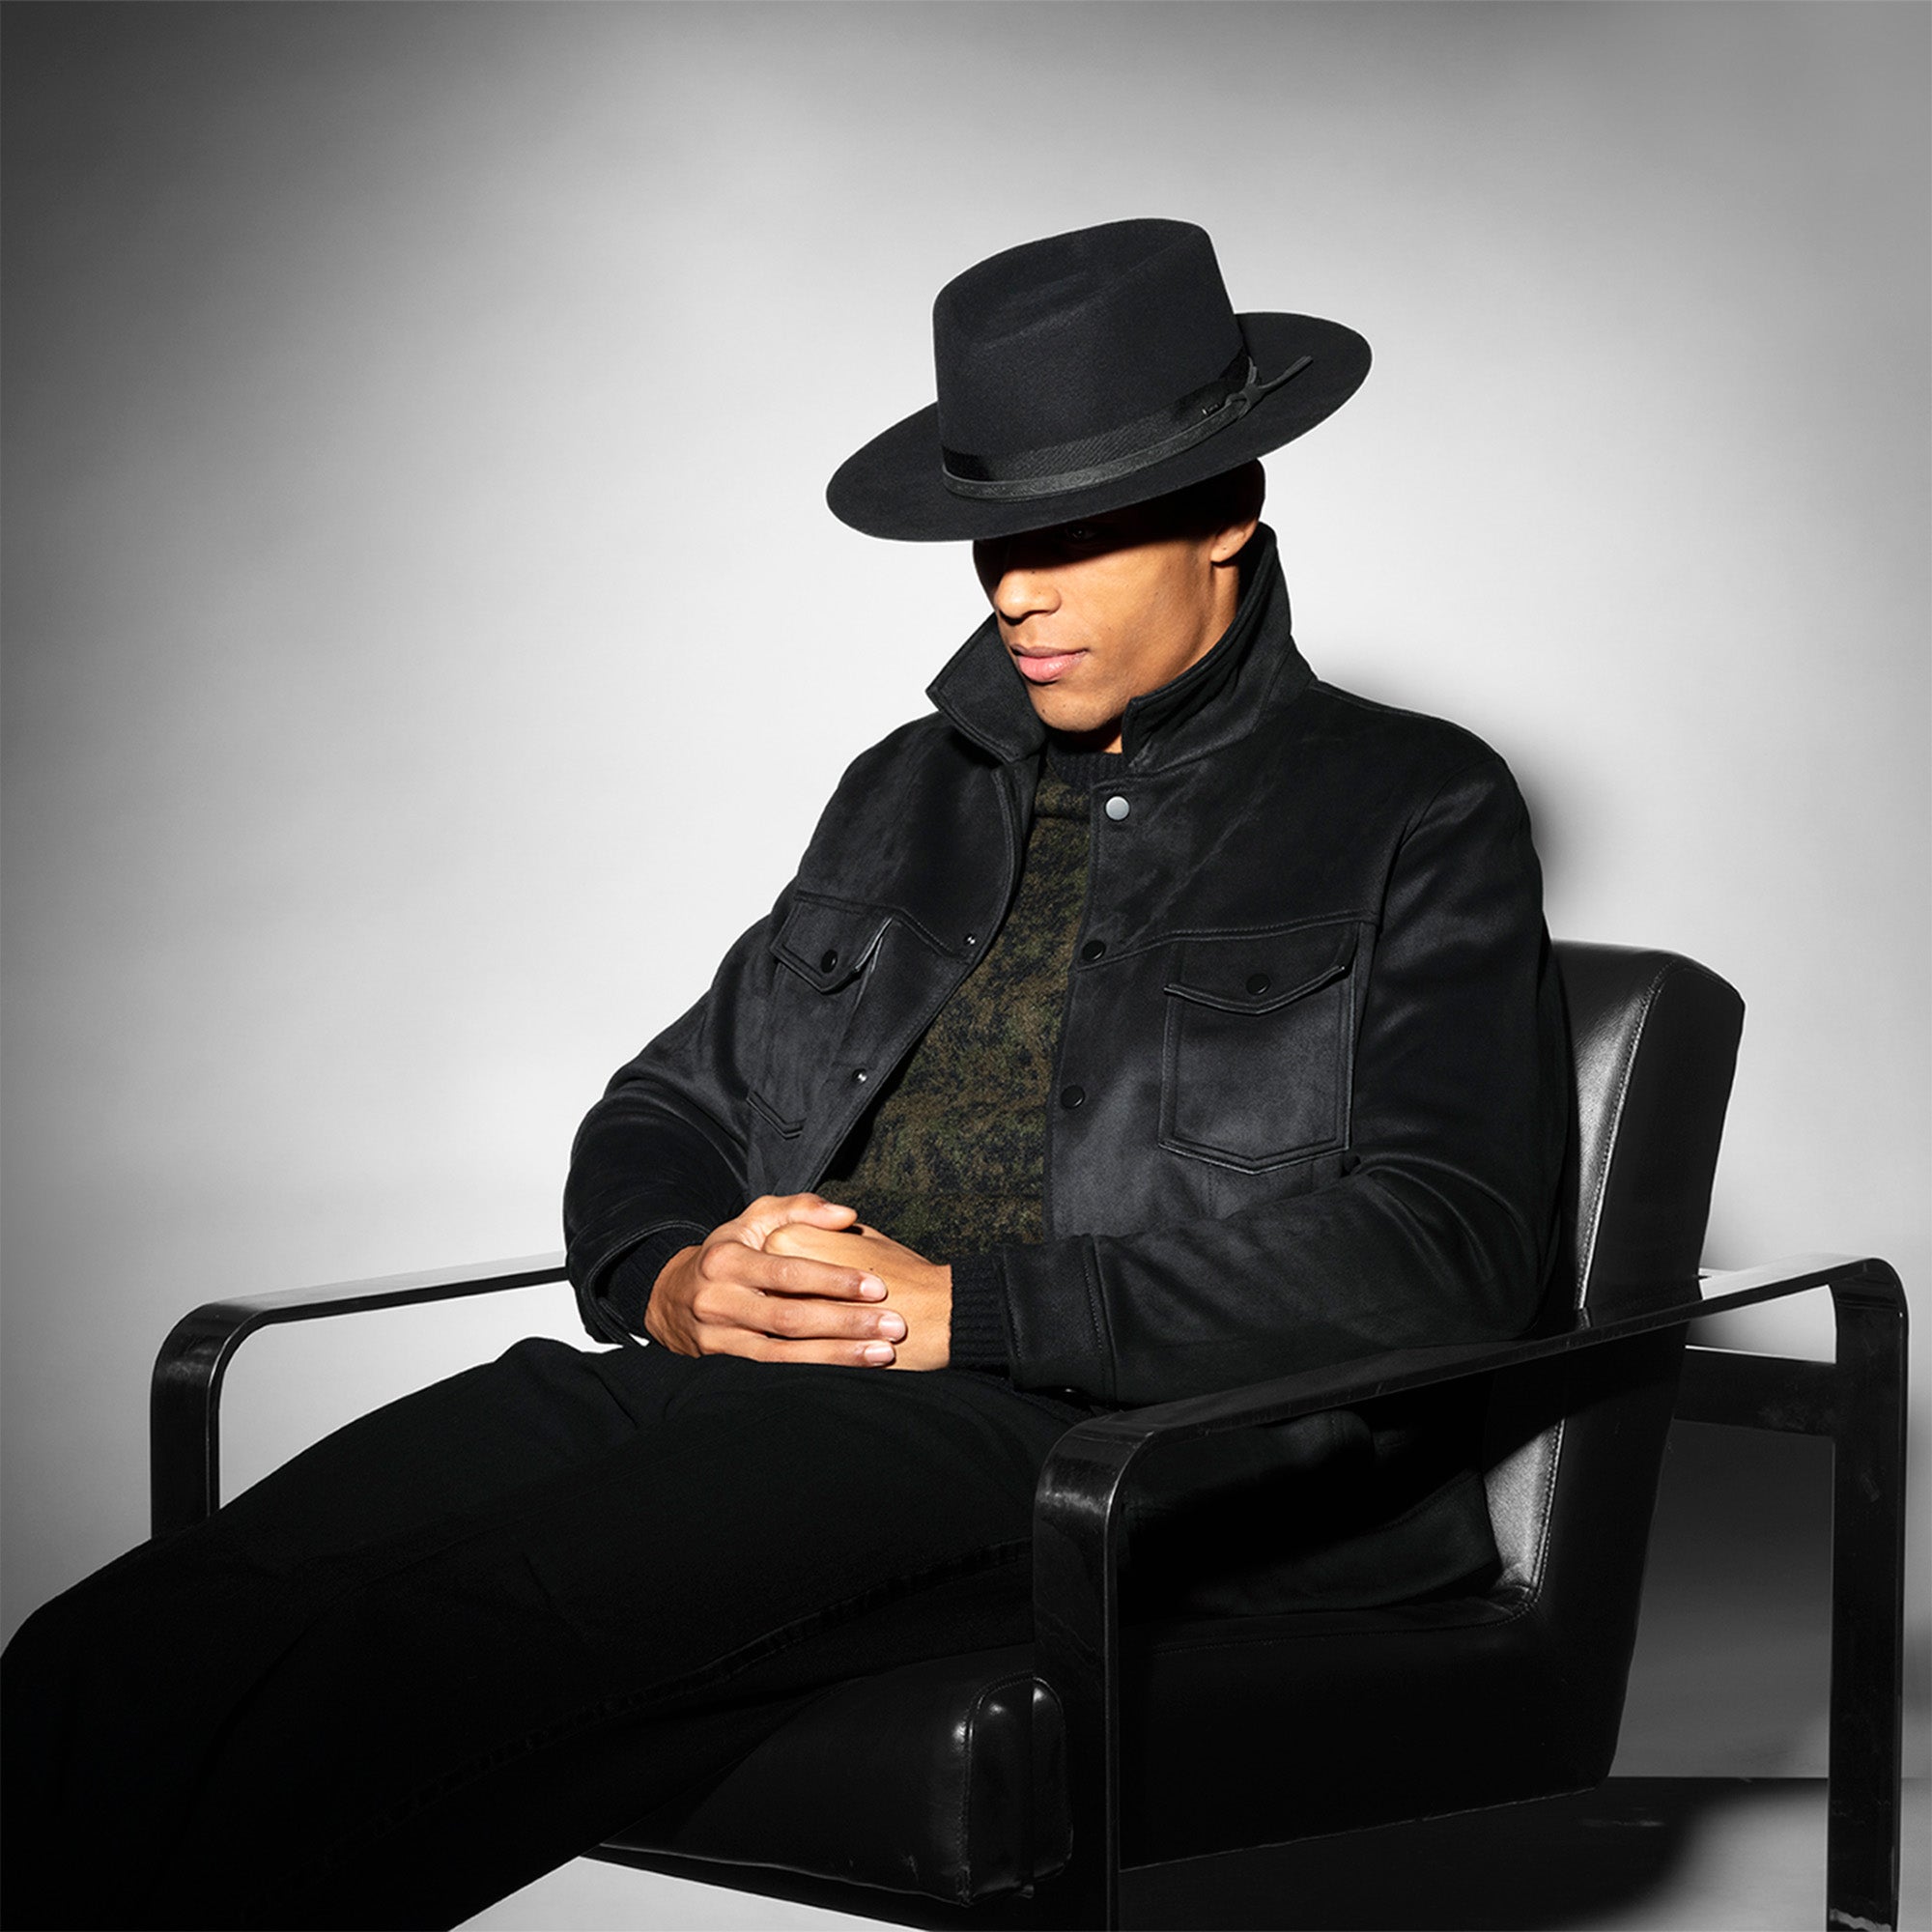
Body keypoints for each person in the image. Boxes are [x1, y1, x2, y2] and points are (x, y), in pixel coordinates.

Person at [0, 217, 1567, 1930]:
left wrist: (981, 1312)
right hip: (765, 1387)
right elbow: (667, 1106)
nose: (1017, 592)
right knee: (142, 1629)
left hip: (1119, 1451)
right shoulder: (905, 792)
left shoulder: (1414, 803)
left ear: (1226, 514)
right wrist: (676, 1278)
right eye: (997, 540)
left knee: (416, 1653)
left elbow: (1454, 1249)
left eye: (1078, 535)